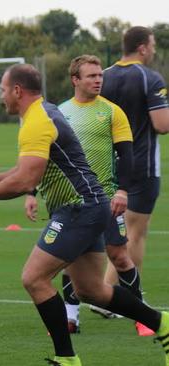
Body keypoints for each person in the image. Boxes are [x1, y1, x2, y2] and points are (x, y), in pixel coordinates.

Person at [0, 63, 169, 366]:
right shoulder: (42, 113)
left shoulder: (38, 121)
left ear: (17, 90)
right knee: (90, 290)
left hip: (80, 207)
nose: (2, 97)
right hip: (88, 205)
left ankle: (66, 358)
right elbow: (25, 171)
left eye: (2, 90)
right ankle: (163, 323)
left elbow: (25, 182)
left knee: (34, 278)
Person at [24, 55, 150, 335]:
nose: (97, 80)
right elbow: (44, 155)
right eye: (91, 76)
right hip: (70, 203)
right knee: (70, 258)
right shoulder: (59, 112)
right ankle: (71, 318)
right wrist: (31, 192)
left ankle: (142, 314)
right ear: (75, 80)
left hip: (105, 200)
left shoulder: (112, 112)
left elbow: (127, 156)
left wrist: (122, 190)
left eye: (99, 76)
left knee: (119, 256)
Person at [100, 26, 169, 302]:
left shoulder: (101, 77)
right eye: (152, 45)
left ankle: (106, 293)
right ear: (142, 47)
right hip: (141, 165)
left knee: (115, 233)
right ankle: (122, 299)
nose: (153, 50)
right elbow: (162, 125)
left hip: (106, 165)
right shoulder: (149, 78)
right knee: (135, 234)